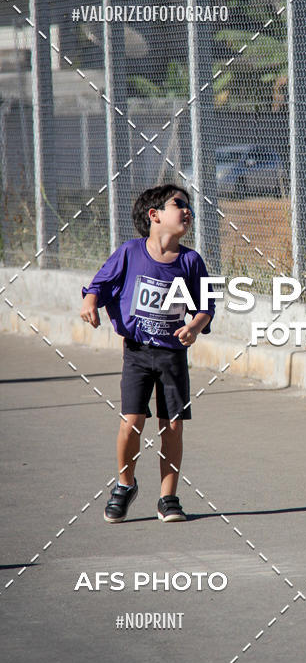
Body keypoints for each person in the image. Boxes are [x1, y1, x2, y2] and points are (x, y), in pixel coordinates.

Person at [80, 185, 215, 523]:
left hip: (172, 356)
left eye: (190, 206)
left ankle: (168, 498)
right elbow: (99, 284)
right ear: (154, 215)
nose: (187, 210)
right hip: (137, 353)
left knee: (173, 426)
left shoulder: (190, 261)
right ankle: (125, 485)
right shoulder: (130, 252)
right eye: (179, 204)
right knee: (132, 424)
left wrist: (194, 327)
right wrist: (90, 302)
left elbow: (206, 307)